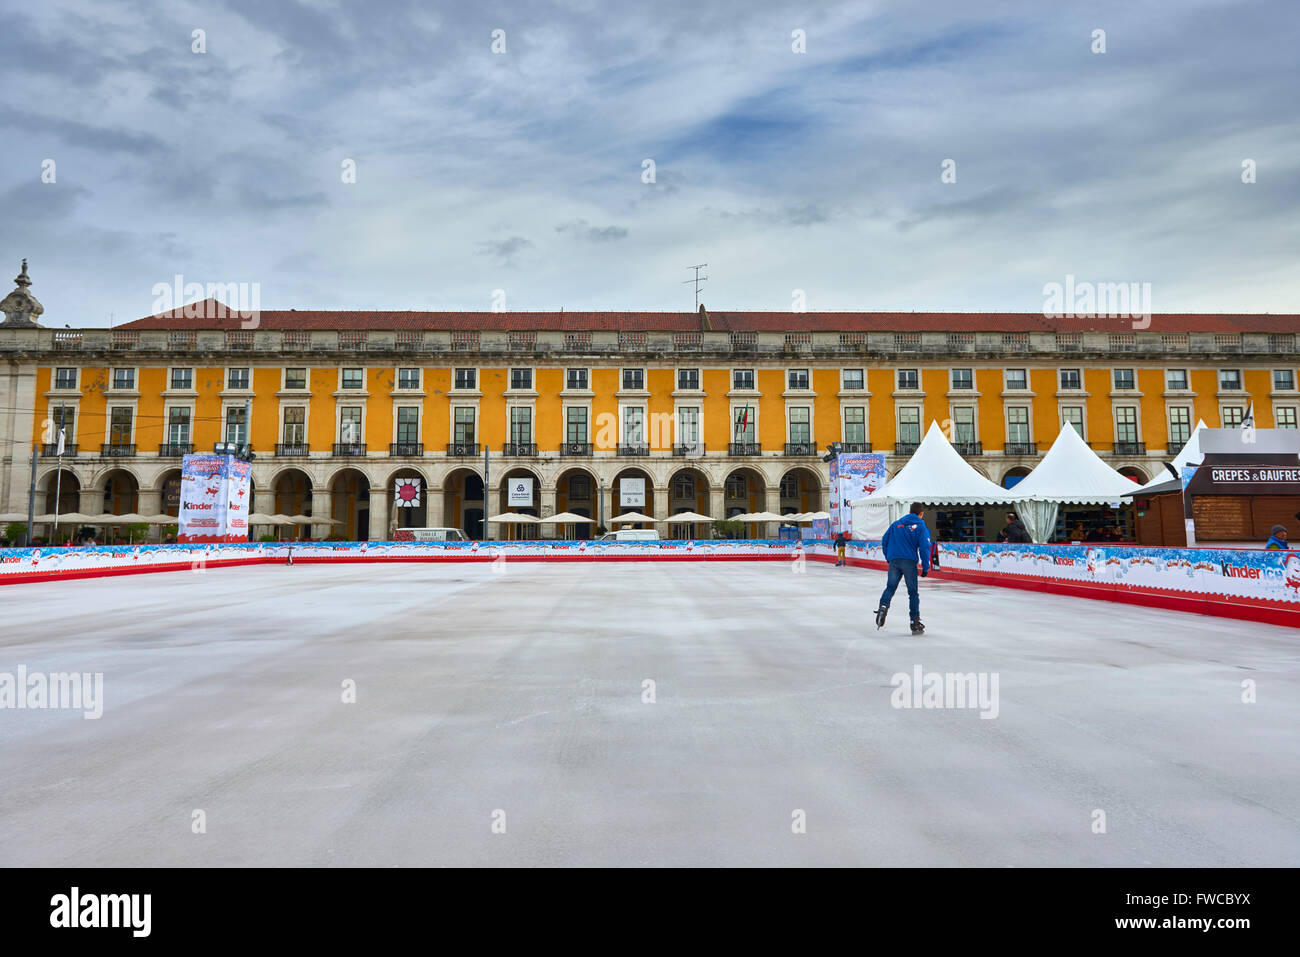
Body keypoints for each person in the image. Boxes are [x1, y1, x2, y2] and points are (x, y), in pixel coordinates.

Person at [874, 503, 931, 635]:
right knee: (912, 593)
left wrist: (889, 556)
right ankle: (914, 622)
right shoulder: (921, 526)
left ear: (910, 511)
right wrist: (926, 567)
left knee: (890, 588)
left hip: (894, 561)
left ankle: (883, 606)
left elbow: (884, 539)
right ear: (921, 514)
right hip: (909, 562)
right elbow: (924, 547)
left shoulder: (896, 524)